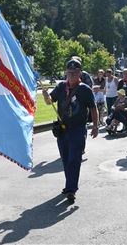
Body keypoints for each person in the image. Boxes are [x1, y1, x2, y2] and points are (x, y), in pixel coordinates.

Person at [42, 58, 99, 204]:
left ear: (79, 73)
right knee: (66, 159)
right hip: (62, 129)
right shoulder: (61, 87)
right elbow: (50, 102)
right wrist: (45, 96)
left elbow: (93, 108)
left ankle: (71, 189)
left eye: (74, 73)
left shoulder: (85, 89)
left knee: (74, 159)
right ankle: (69, 185)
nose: (71, 75)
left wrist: (95, 126)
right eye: (69, 73)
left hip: (78, 129)